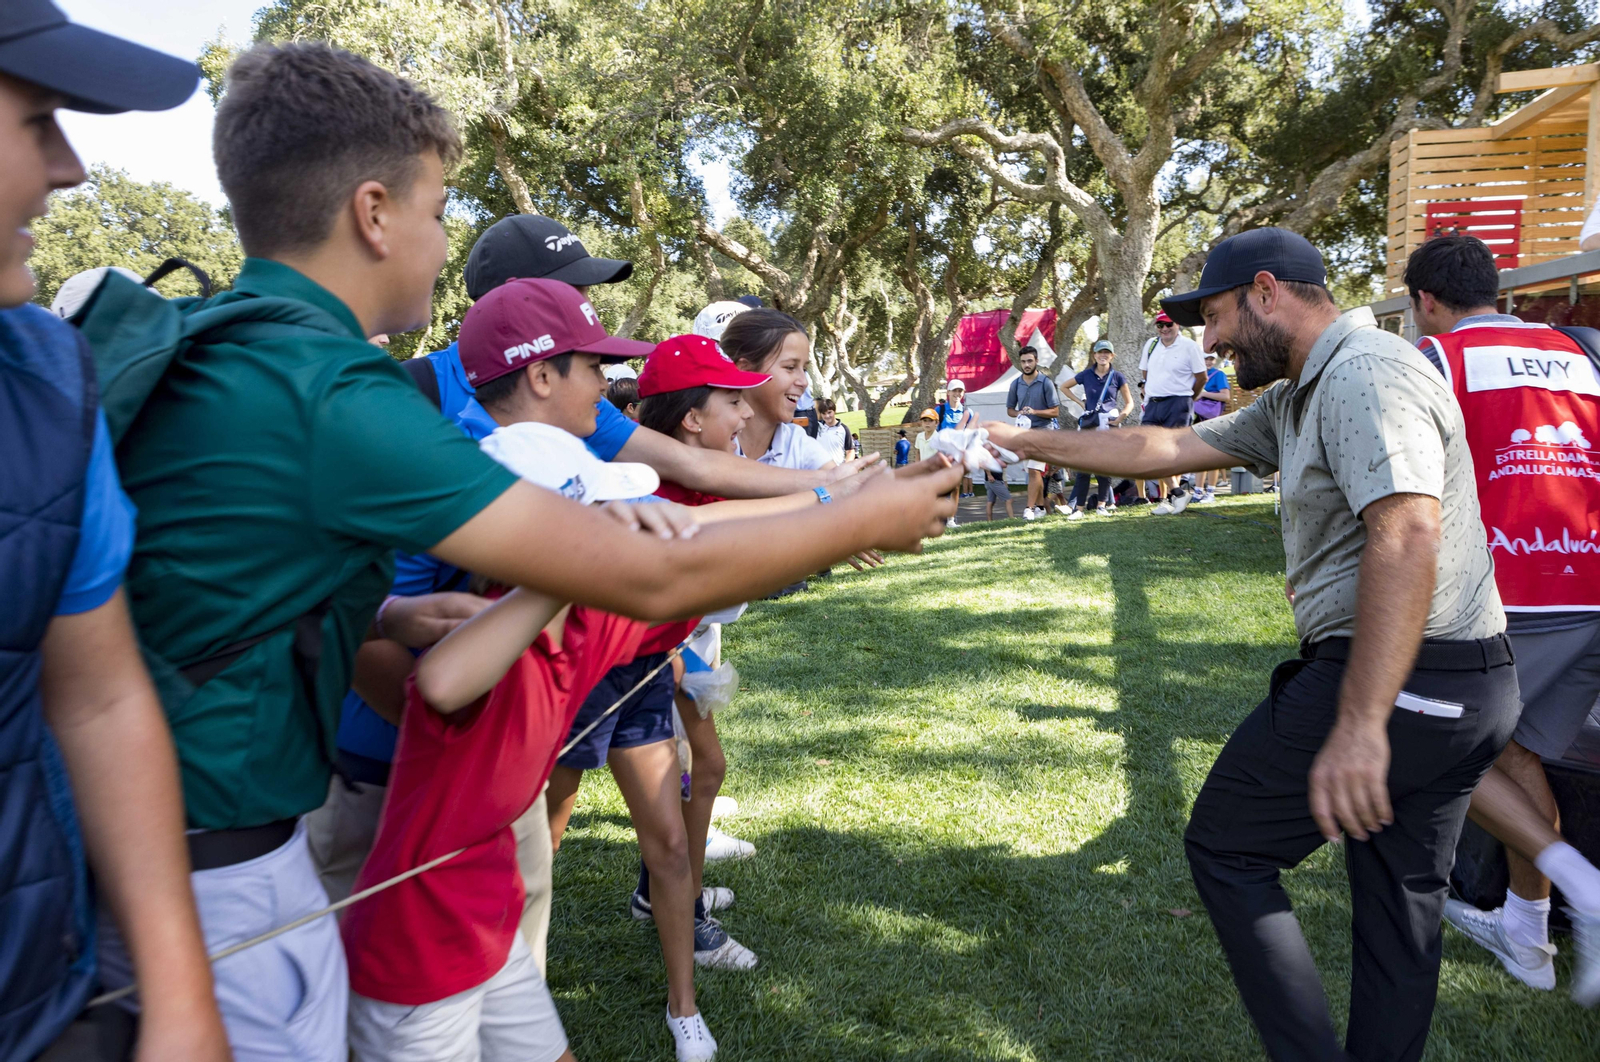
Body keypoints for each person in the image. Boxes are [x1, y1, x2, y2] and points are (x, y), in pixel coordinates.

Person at [100, 41, 961, 1057]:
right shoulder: (326, 389)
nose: (439, 241)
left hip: (183, 840)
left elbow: (211, 580)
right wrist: (863, 516)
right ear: (373, 213)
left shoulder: (230, 342)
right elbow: (644, 567)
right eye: (436, 209)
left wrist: (380, 613)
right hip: (223, 867)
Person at [984, 226, 1518, 1062]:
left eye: (1218, 316)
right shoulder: (1298, 392)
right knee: (1398, 907)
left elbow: (1409, 534)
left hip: (1408, 677)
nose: (1211, 340)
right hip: (1464, 685)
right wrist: (1022, 442)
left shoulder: (1364, 373)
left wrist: (1361, 723)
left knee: (1228, 843)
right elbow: (1162, 445)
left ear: (1268, 292)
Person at [0, 7, 230, 1059]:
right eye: (37, 118)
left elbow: (94, 691)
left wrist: (179, 999)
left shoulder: (47, 384)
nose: (72, 167)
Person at [342, 436, 653, 1062]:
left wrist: (828, 506)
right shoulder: (482, 644)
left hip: (488, 923)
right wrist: (558, 571)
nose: (613, 531)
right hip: (417, 960)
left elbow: (705, 572)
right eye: (593, 516)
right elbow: (441, 681)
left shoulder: (585, 620)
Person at [1404, 234, 1600, 1004]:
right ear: (1499, 289)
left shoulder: (1436, 360)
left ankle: (1578, 880)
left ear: (1426, 301)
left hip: (1502, 593)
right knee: (1517, 758)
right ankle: (1526, 935)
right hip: (1589, 585)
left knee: (1434, 741)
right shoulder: (1581, 353)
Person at [1139, 311, 1208, 514]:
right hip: (1153, 403)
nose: (1165, 329)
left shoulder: (1189, 346)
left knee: (1171, 452)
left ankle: (1169, 500)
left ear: (1177, 324)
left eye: (1168, 324)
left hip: (1179, 402)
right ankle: (1178, 493)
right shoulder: (1151, 345)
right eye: (1160, 325)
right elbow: (1145, 372)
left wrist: (1189, 397)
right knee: (1148, 448)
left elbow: (1202, 377)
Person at [1063, 339, 1133, 520]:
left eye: (1107, 352)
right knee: (1083, 467)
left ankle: (1102, 505)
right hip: (1089, 424)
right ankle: (1078, 508)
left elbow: (1129, 403)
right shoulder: (1086, 374)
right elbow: (1064, 386)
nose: (1103, 355)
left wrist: (1121, 418)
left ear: (1112, 355)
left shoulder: (1117, 377)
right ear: (1094, 355)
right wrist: (1080, 403)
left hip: (1108, 425)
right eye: (1100, 352)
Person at [1005, 348, 1059, 519]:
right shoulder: (1015, 384)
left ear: (1036, 361)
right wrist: (1020, 413)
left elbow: (1055, 412)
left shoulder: (1045, 382)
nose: (1026, 365)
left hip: (1043, 432)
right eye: (1023, 362)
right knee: (1033, 471)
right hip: (1024, 432)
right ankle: (1041, 508)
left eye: (1030, 361)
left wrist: (1035, 412)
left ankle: (1029, 508)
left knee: (1034, 470)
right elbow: (1010, 410)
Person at [1191, 352, 1232, 503]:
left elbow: (1225, 396)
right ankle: (1198, 491)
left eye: (1211, 359)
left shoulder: (1218, 375)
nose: (1208, 362)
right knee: (1198, 457)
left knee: (1211, 455)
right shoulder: (1194, 375)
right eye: (1205, 358)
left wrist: (1205, 394)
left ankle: (1210, 492)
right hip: (1196, 419)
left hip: (1212, 420)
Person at [815, 398, 854, 464]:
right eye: (824, 413)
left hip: (838, 471)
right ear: (821, 414)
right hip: (820, 471)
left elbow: (850, 451)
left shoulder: (843, 429)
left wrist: (846, 466)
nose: (827, 416)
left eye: (829, 412)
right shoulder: (816, 427)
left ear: (834, 411)